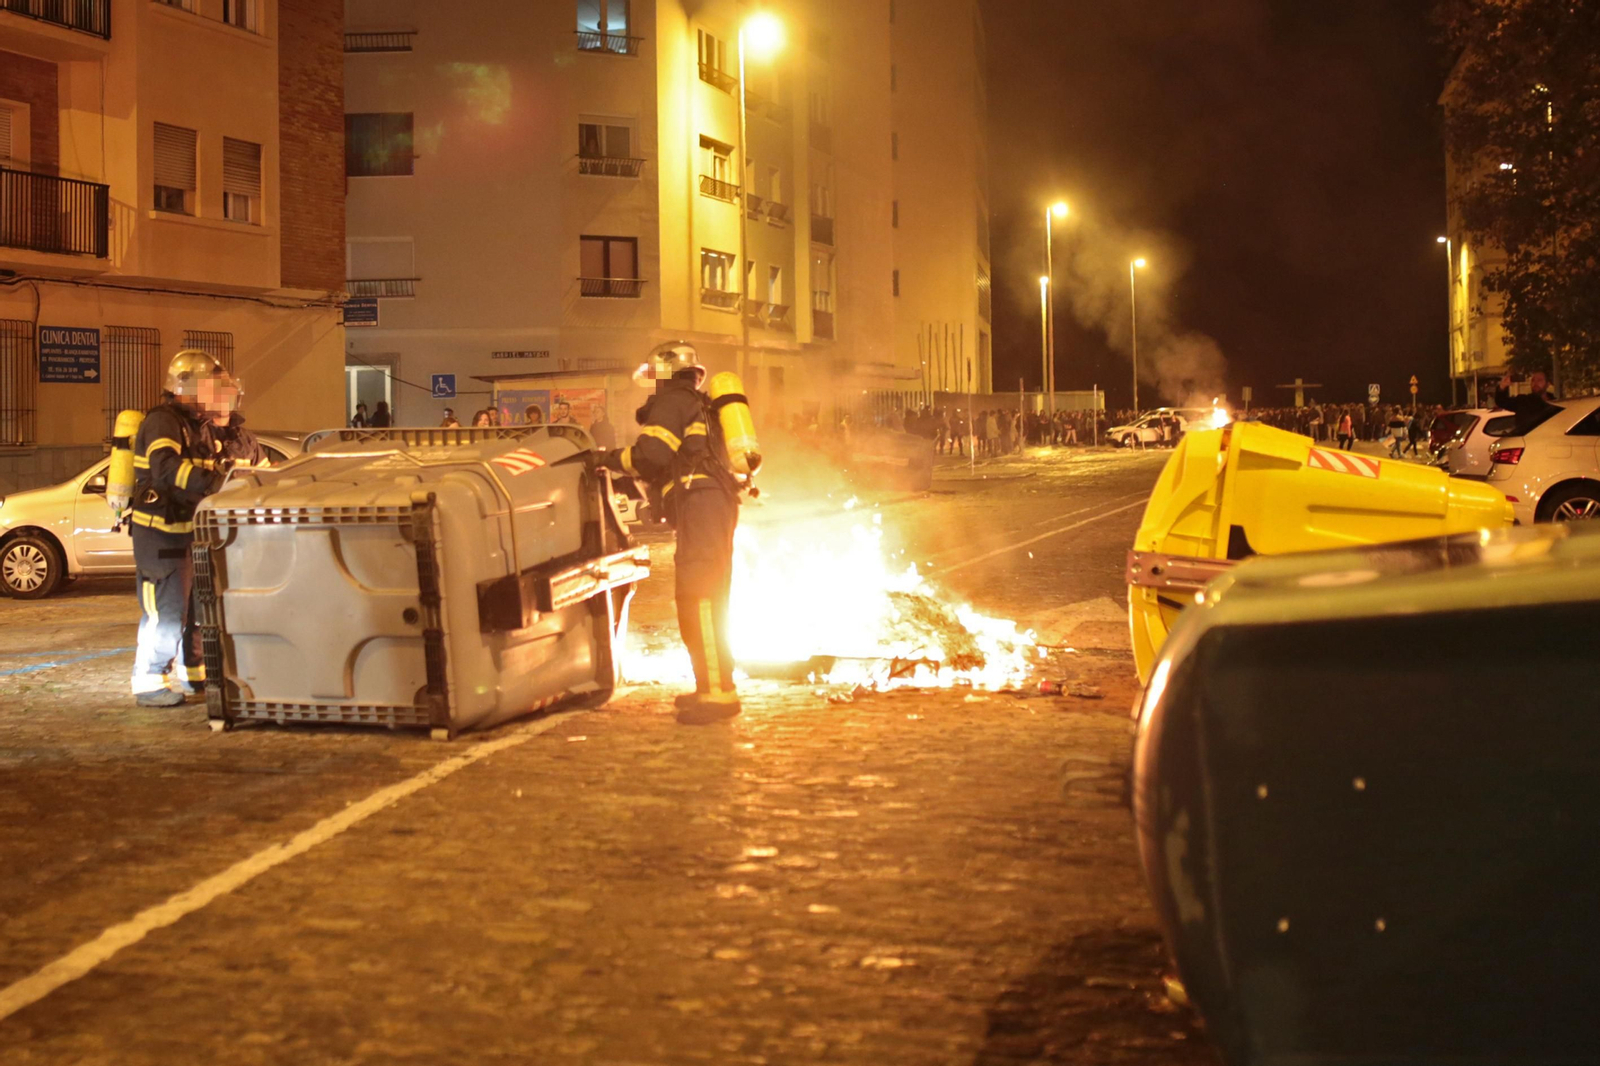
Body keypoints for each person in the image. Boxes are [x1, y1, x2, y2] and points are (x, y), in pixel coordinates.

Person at [601, 342, 746, 725]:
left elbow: (652, 455)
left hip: (701, 504)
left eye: (652, 377)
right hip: (711, 504)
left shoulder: (673, 402)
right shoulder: (699, 404)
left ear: (664, 374)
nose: (650, 386)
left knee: (700, 597)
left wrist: (607, 459)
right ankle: (709, 686)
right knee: (706, 596)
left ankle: (718, 695)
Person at [127, 351, 248, 707]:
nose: (221, 392)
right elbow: (165, 468)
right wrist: (213, 484)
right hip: (161, 536)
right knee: (167, 613)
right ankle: (149, 681)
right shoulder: (163, 422)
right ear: (187, 387)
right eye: (213, 386)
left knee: (198, 611)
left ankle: (195, 676)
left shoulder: (203, 426)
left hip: (193, 535)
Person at [1495, 370, 1559, 434]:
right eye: (1533, 380)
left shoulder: (1556, 404)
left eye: (1539, 380)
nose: (1535, 383)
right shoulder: (1523, 401)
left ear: (1547, 384)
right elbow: (1501, 401)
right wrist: (1502, 386)